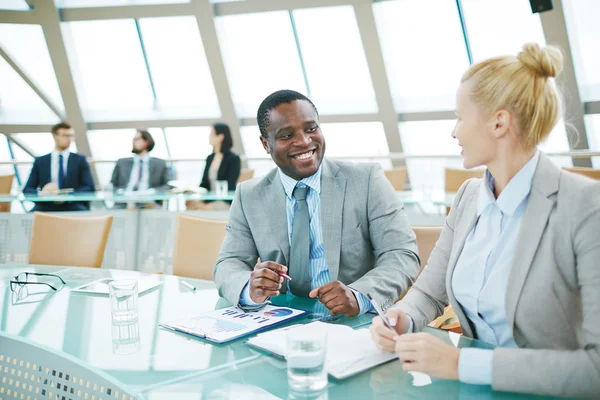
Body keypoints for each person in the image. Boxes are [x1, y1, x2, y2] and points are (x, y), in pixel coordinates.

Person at [370, 43, 600, 398]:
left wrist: (461, 365)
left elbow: (595, 368)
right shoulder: (468, 198)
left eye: (460, 117)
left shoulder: (586, 207)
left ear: (498, 122)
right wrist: (400, 317)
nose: (454, 131)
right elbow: (429, 291)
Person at [214, 90, 420, 317]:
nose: (303, 141)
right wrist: (249, 288)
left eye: (311, 129)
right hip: (279, 321)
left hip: (353, 323)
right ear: (266, 144)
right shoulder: (249, 195)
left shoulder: (367, 180)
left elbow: (401, 253)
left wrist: (358, 295)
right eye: (286, 135)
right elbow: (229, 263)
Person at [23, 122, 94, 212]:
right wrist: (43, 194)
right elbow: (28, 189)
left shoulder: (80, 160)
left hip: (72, 205)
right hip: (46, 205)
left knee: (84, 214)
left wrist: (67, 196)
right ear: (54, 136)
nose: (69, 139)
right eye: (65, 135)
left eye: (71, 136)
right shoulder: (41, 161)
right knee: (28, 218)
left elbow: (89, 187)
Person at [187, 123, 241, 210]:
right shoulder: (210, 158)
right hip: (209, 199)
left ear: (220, 137)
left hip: (224, 200)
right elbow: (204, 183)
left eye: (212, 134)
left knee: (202, 208)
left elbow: (230, 184)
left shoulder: (233, 159)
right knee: (190, 204)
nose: (209, 137)